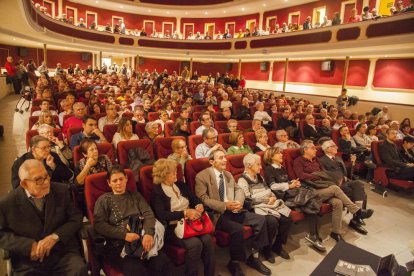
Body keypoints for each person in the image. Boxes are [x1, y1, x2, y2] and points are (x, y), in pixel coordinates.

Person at [0, 160, 87, 275]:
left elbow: (75, 218)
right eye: (39, 180)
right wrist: (29, 246)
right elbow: (2, 235)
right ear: (24, 184)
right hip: (29, 260)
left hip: (62, 253)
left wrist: (55, 237)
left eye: (47, 176)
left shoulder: (62, 190)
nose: (46, 182)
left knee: (79, 269)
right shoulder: (7, 203)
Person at [195, 149, 271, 276]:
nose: (225, 160)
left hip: (234, 209)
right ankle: (234, 263)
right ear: (212, 162)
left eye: (225, 157)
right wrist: (225, 205)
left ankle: (254, 256)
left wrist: (238, 202)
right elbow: (203, 198)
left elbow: (239, 190)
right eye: (221, 158)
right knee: (238, 229)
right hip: (218, 214)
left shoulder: (228, 174)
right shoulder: (202, 176)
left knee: (260, 220)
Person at [93, 165, 170, 276]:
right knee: (136, 269)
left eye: (121, 179)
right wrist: (125, 235)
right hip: (119, 244)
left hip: (142, 238)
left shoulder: (136, 196)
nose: (118, 183)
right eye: (114, 181)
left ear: (126, 179)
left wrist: (148, 233)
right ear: (109, 183)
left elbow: (148, 214)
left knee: (161, 261)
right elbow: (99, 225)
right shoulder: (103, 200)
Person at [293, 140, 374, 242]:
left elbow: (325, 173)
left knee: (338, 202)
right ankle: (357, 211)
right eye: (312, 148)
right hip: (312, 190)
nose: (315, 150)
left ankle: (336, 232)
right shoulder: (298, 161)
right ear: (305, 150)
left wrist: (319, 175)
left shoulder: (316, 160)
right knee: (335, 188)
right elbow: (301, 176)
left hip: (324, 187)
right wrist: (317, 175)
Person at [151, 159, 215, 276]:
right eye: (172, 172)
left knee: (208, 240)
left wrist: (198, 205)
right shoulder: (157, 192)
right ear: (163, 175)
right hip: (172, 227)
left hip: (191, 222)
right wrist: (185, 213)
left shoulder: (180, 185)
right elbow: (162, 215)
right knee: (195, 244)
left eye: (175, 171)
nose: (176, 174)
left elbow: (193, 198)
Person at [263, 147, 326, 252]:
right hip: (283, 196)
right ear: (271, 156)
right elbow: (272, 186)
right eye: (278, 153)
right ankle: (314, 236)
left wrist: (294, 182)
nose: (281, 155)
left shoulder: (281, 167)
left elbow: (287, 181)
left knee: (310, 203)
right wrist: (289, 185)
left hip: (291, 193)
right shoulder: (269, 169)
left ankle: (314, 236)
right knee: (310, 203)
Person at [238, 153, 293, 261]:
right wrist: (266, 198)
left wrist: (272, 197)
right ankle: (266, 248)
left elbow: (268, 189)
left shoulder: (259, 176)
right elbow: (248, 200)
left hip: (269, 203)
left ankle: (278, 245)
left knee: (288, 218)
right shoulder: (242, 180)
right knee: (272, 222)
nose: (261, 167)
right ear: (249, 166)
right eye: (258, 165)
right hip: (256, 207)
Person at [318, 139, 370, 234]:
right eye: (334, 146)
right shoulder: (321, 161)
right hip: (336, 185)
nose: (337, 147)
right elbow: (324, 175)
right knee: (362, 194)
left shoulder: (338, 158)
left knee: (359, 184)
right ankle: (356, 219)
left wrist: (352, 163)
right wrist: (339, 178)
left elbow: (348, 173)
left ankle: (356, 216)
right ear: (327, 149)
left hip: (346, 182)